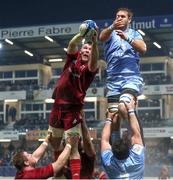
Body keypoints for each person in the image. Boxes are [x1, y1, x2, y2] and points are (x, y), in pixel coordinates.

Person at [48, 22, 99, 179]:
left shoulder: (90, 69)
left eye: (89, 50)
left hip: (73, 109)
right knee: (55, 144)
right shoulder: (72, 58)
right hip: (57, 105)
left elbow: (95, 60)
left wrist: (95, 42)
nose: (86, 51)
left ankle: (75, 178)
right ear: (81, 50)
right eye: (85, 48)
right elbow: (71, 45)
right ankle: (59, 174)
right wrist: (81, 35)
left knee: (73, 145)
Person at [99, 7, 147, 119]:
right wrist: (112, 27)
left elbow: (143, 49)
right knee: (113, 118)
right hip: (113, 82)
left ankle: (135, 134)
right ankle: (118, 136)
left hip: (130, 78)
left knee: (124, 106)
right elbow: (101, 37)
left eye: (122, 16)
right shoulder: (110, 33)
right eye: (117, 16)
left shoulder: (134, 34)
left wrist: (127, 38)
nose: (119, 18)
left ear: (129, 19)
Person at [101, 98, 145, 179]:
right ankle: (118, 113)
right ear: (129, 149)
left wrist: (130, 110)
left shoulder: (137, 160)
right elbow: (104, 140)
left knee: (116, 119)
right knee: (121, 110)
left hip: (130, 166)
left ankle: (117, 113)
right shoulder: (108, 163)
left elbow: (136, 135)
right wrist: (108, 119)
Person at [12, 134, 78, 179]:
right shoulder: (35, 175)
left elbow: (35, 156)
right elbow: (59, 163)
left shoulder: (20, 174)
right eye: (29, 155)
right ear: (26, 162)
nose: (32, 154)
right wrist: (69, 144)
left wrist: (47, 140)